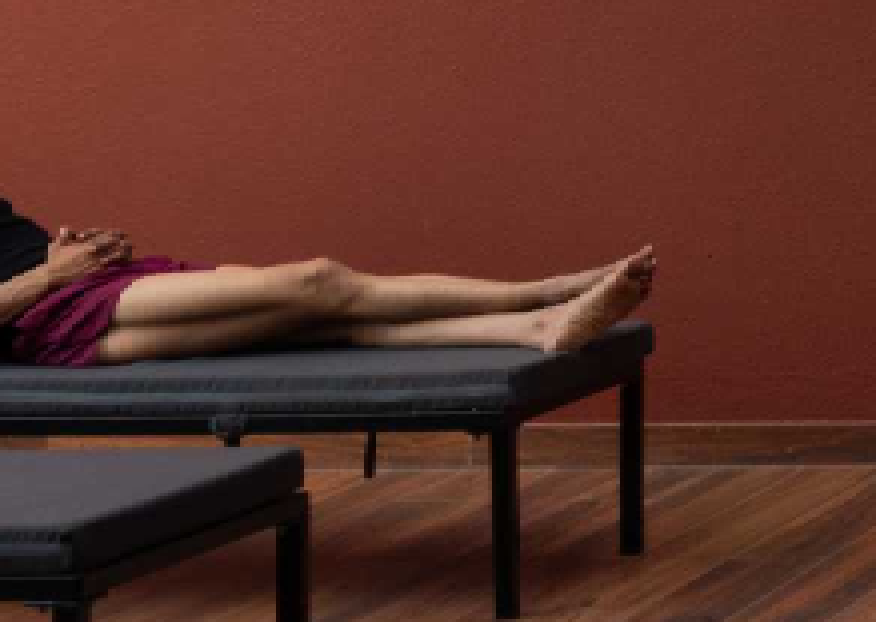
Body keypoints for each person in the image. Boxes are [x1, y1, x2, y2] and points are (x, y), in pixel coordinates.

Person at [0, 196, 654, 370]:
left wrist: (63, 252)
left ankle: (534, 329)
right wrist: (52, 274)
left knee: (318, 320)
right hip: (47, 313)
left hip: (71, 291)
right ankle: (545, 292)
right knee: (318, 283)